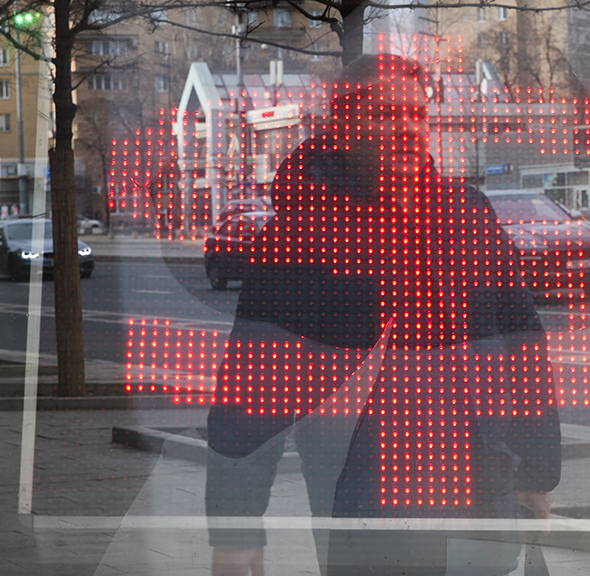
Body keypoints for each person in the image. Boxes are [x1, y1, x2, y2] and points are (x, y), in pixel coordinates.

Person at [206, 54, 561, 576]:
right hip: (366, 505)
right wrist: (236, 534)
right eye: (386, 113)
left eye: (417, 114)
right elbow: (255, 387)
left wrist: (536, 474)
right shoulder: (303, 230)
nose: (408, 127)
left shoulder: (466, 214)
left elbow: (521, 344)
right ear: (342, 125)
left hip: (482, 491)